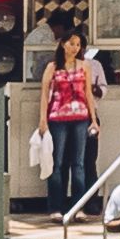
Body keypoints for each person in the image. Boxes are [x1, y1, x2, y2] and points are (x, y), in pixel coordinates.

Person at [42, 32, 99, 210]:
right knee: (57, 162)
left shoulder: (85, 66)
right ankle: (56, 207)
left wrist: (94, 119)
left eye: (78, 44)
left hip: (81, 117)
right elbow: (44, 95)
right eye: (72, 43)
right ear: (63, 44)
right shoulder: (52, 67)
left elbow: (88, 93)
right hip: (58, 117)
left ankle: (78, 207)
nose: (75, 48)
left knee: (79, 163)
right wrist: (42, 120)